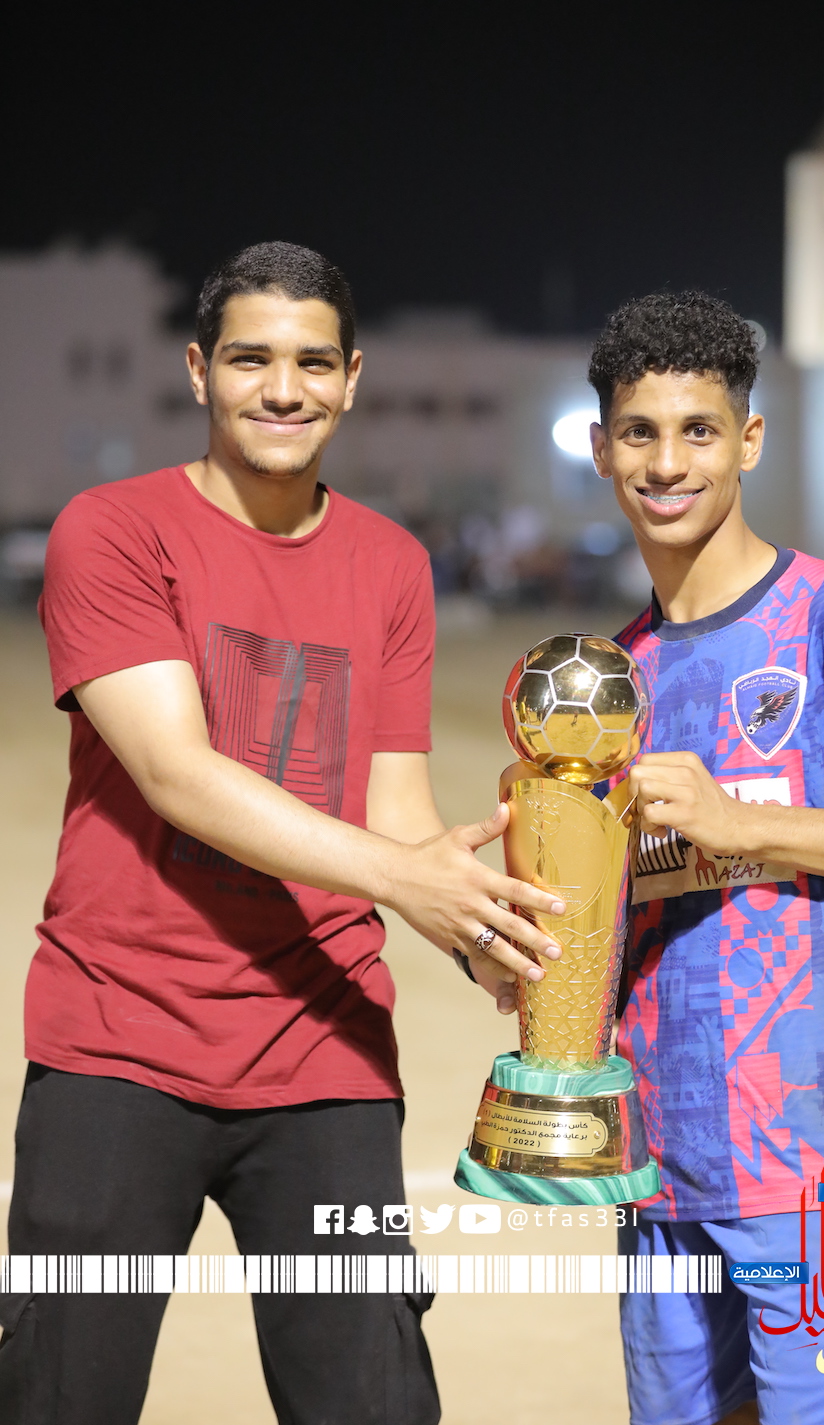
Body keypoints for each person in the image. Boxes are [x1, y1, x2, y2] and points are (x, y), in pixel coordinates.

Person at [0, 241, 565, 1425]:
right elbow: (177, 774)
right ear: (198, 369)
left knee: (372, 1403)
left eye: (312, 362)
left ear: (351, 379)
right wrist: (409, 881)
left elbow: (394, 811)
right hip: (116, 1042)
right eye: (249, 358)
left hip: (323, 1052)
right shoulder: (115, 530)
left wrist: (486, 942)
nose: (281, 388)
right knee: (59, 1398)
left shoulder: (391, 564)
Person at [587, 291, 824, 1425]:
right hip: (656, 1166)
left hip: (818, 1162)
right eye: (639, 432)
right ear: (601, 449)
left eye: (697, 430)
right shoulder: (610, 677)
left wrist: (748, 825)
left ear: (747, 439)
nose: (666, 463)